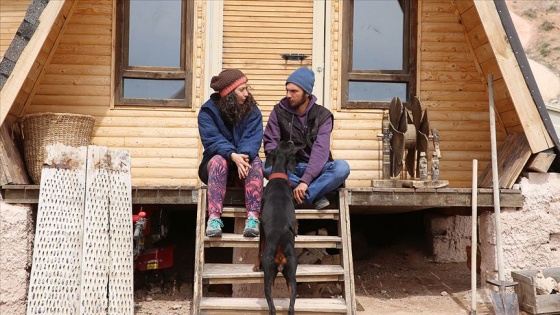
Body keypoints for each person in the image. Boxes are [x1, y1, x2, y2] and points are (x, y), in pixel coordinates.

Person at [263, 67, 350, 209]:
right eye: (287, 90)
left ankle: (298, 197)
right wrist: (281, 163)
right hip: (290, 168)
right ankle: (315, 196)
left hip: (317, 168)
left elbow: (320, 152)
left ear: (307, 93)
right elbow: (270, 144)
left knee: (342, 168)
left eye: (294, 91)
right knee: (265, 166)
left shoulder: (323, 116)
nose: (288, 95)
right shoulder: (278, 112)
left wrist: (305, 181)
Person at [198, 69, 263, 237]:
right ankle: (213, 219)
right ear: (228, 95)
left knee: (255, 163)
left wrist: (242, 156)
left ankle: (253, 218)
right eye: (241, 90)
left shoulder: (252, 111)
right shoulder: (208, 112)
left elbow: (252, 138)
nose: (246, 94)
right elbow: (213, 141)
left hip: (243, 166)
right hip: (215, 167)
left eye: (246, 88)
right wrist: (233, 155)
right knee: (220, 159)